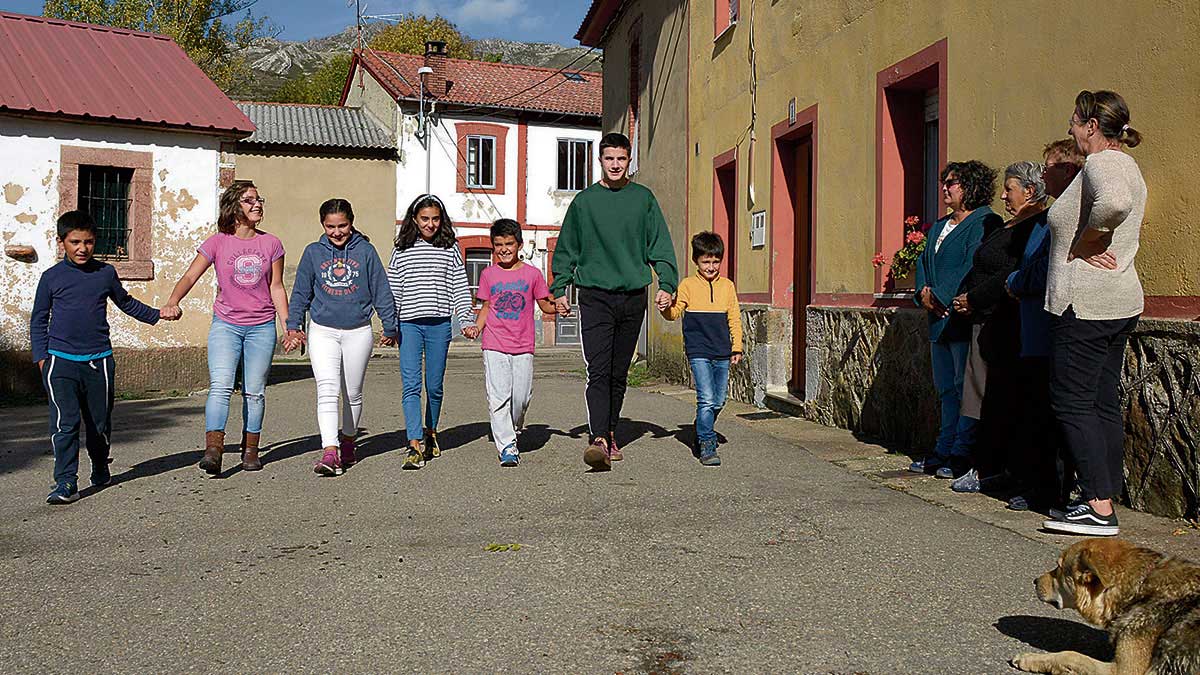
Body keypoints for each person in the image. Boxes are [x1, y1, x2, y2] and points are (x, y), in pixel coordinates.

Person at [1042, 90, 1146, 537]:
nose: (1069, 128)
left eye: (1073, 121)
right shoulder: (1126, 164)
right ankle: (1104, 494)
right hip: (1117, 301)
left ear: (1090, 125)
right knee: (1101, 401)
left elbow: (1114, 204)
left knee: (1071, 400)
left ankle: (1098, 508)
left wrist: (1088, 240)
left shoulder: (1104, 163)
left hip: (1084, 303)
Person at [550, 132, 679, 471]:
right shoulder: (584, 202)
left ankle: (610, 430)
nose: (616, 165)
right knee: (599, 369)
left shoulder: (643, 200)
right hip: (594, 296)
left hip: (634, 296)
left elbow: (660, 246)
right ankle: (598, 438)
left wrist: (667, 282)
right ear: (601, 161)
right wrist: (559, 286)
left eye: (622, 159)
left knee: (619, 373)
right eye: (610, 159)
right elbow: (566, 249)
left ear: (629, 162)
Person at [31, 211, 175, 504]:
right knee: (64, 424)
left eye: (89, 242)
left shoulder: (104, 273)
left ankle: (99, 465)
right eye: (75, 242)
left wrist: (157, 315)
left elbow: (126, 303)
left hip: (99, 362)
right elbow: (38, 319)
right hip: (60, 362)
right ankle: (66, 482)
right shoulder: (51, 278)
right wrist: (42, 358)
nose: (82, 248)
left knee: (98, 423)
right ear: (62, 243)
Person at [163, 181, 288, 475]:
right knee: (220, 387)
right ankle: (214, 451)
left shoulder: (272, 244)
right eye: (249, 200)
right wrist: (173, 300)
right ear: (234, 207)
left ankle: (251, 451)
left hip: (261, 327)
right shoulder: (217, 242)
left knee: (255, 392)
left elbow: (277, 287)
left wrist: (290, 326)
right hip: (226, 325)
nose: (257, 205)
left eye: (259, 199)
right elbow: (191, 275)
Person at [284, 199, 398, 477]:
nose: (337, 232)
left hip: (358, 331)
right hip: (323, 330)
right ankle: (330, 450)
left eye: (342, 226)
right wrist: (294, 325)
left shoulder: (366, 252)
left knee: (352, 393)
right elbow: (300, 293)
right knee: (327, 388)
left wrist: (390, 325)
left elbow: (381, 290)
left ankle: (348, 439)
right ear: (322, 225)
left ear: (352, 222)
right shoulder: (313, 253)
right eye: (330, 226)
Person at [948, 161, 1043, 493]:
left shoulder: (1033, 228)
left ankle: (992, 468)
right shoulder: (1011, 225)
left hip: (1002, 321)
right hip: (986, 320)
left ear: (1030, 192)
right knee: (983, 398)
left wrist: (973, 298)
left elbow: (1011, 271)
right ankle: (985, 464)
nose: (1003, 195)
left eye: (1010, 189)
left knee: (997, 400)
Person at [1004, 141, 1085, 512]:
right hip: (1032, 331)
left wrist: (1016, 283)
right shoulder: (1049, 216)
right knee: (1034, 413)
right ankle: (1037, 486)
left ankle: (1055, 491)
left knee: (1052, 416)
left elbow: (1047, 267)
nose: (1043, 173)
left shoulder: (1068, 214)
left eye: (1048, 166)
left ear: (1067, 170)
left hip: (1050, 328)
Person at [910, 161, 1003, 479]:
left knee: (966, 389)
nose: (945, 188)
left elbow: (972, 264)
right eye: (944, 182)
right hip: (938, 321)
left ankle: (963, 451)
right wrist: (923, 291)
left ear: (971, 187)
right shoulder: (938, 226)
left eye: (953, 183)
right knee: (946, 389)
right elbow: (924, 259)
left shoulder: (985, 222)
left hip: (961, 317)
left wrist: (943, 295)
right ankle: (943, 446)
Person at [386, 194, 478, 470]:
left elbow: (460, 287)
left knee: (434, 386)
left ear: (442, 220)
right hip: (409, 325)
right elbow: (394, 290)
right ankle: (413, 443)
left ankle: (431, 432)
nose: (430, 224)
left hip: (439, 325)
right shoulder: (401, 248)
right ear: (414, 219)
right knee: (411, 385)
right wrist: (390, 326)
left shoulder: (450, 248)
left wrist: (466, 320)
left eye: (435, 219)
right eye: (424, 219)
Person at [471, 219, 556, 467]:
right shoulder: (488, 274)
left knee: (521, 396)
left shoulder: (532, 274)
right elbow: (487, 306)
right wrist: (477, 326)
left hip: (523, 344)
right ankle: (507, 445)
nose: (504, 249)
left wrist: (559, 306)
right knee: (499, 396)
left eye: (509, 244)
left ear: (519, 244)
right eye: (498, 245)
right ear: (493, 246)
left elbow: (544, 303)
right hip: (494, 342)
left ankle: (513, 427)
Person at [660, 232, 743, 467]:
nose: (711, 266)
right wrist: (665, 307)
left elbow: (734, 318)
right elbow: (674, 313)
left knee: (719, 400)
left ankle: (700, 427)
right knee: (706, 399)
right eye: (706, 261)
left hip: (722, 351)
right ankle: (707, 443)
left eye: (716, 261)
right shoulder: (687, 285)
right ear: (696, 260)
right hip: (698, 350)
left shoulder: (727, 286)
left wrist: (736, 346)